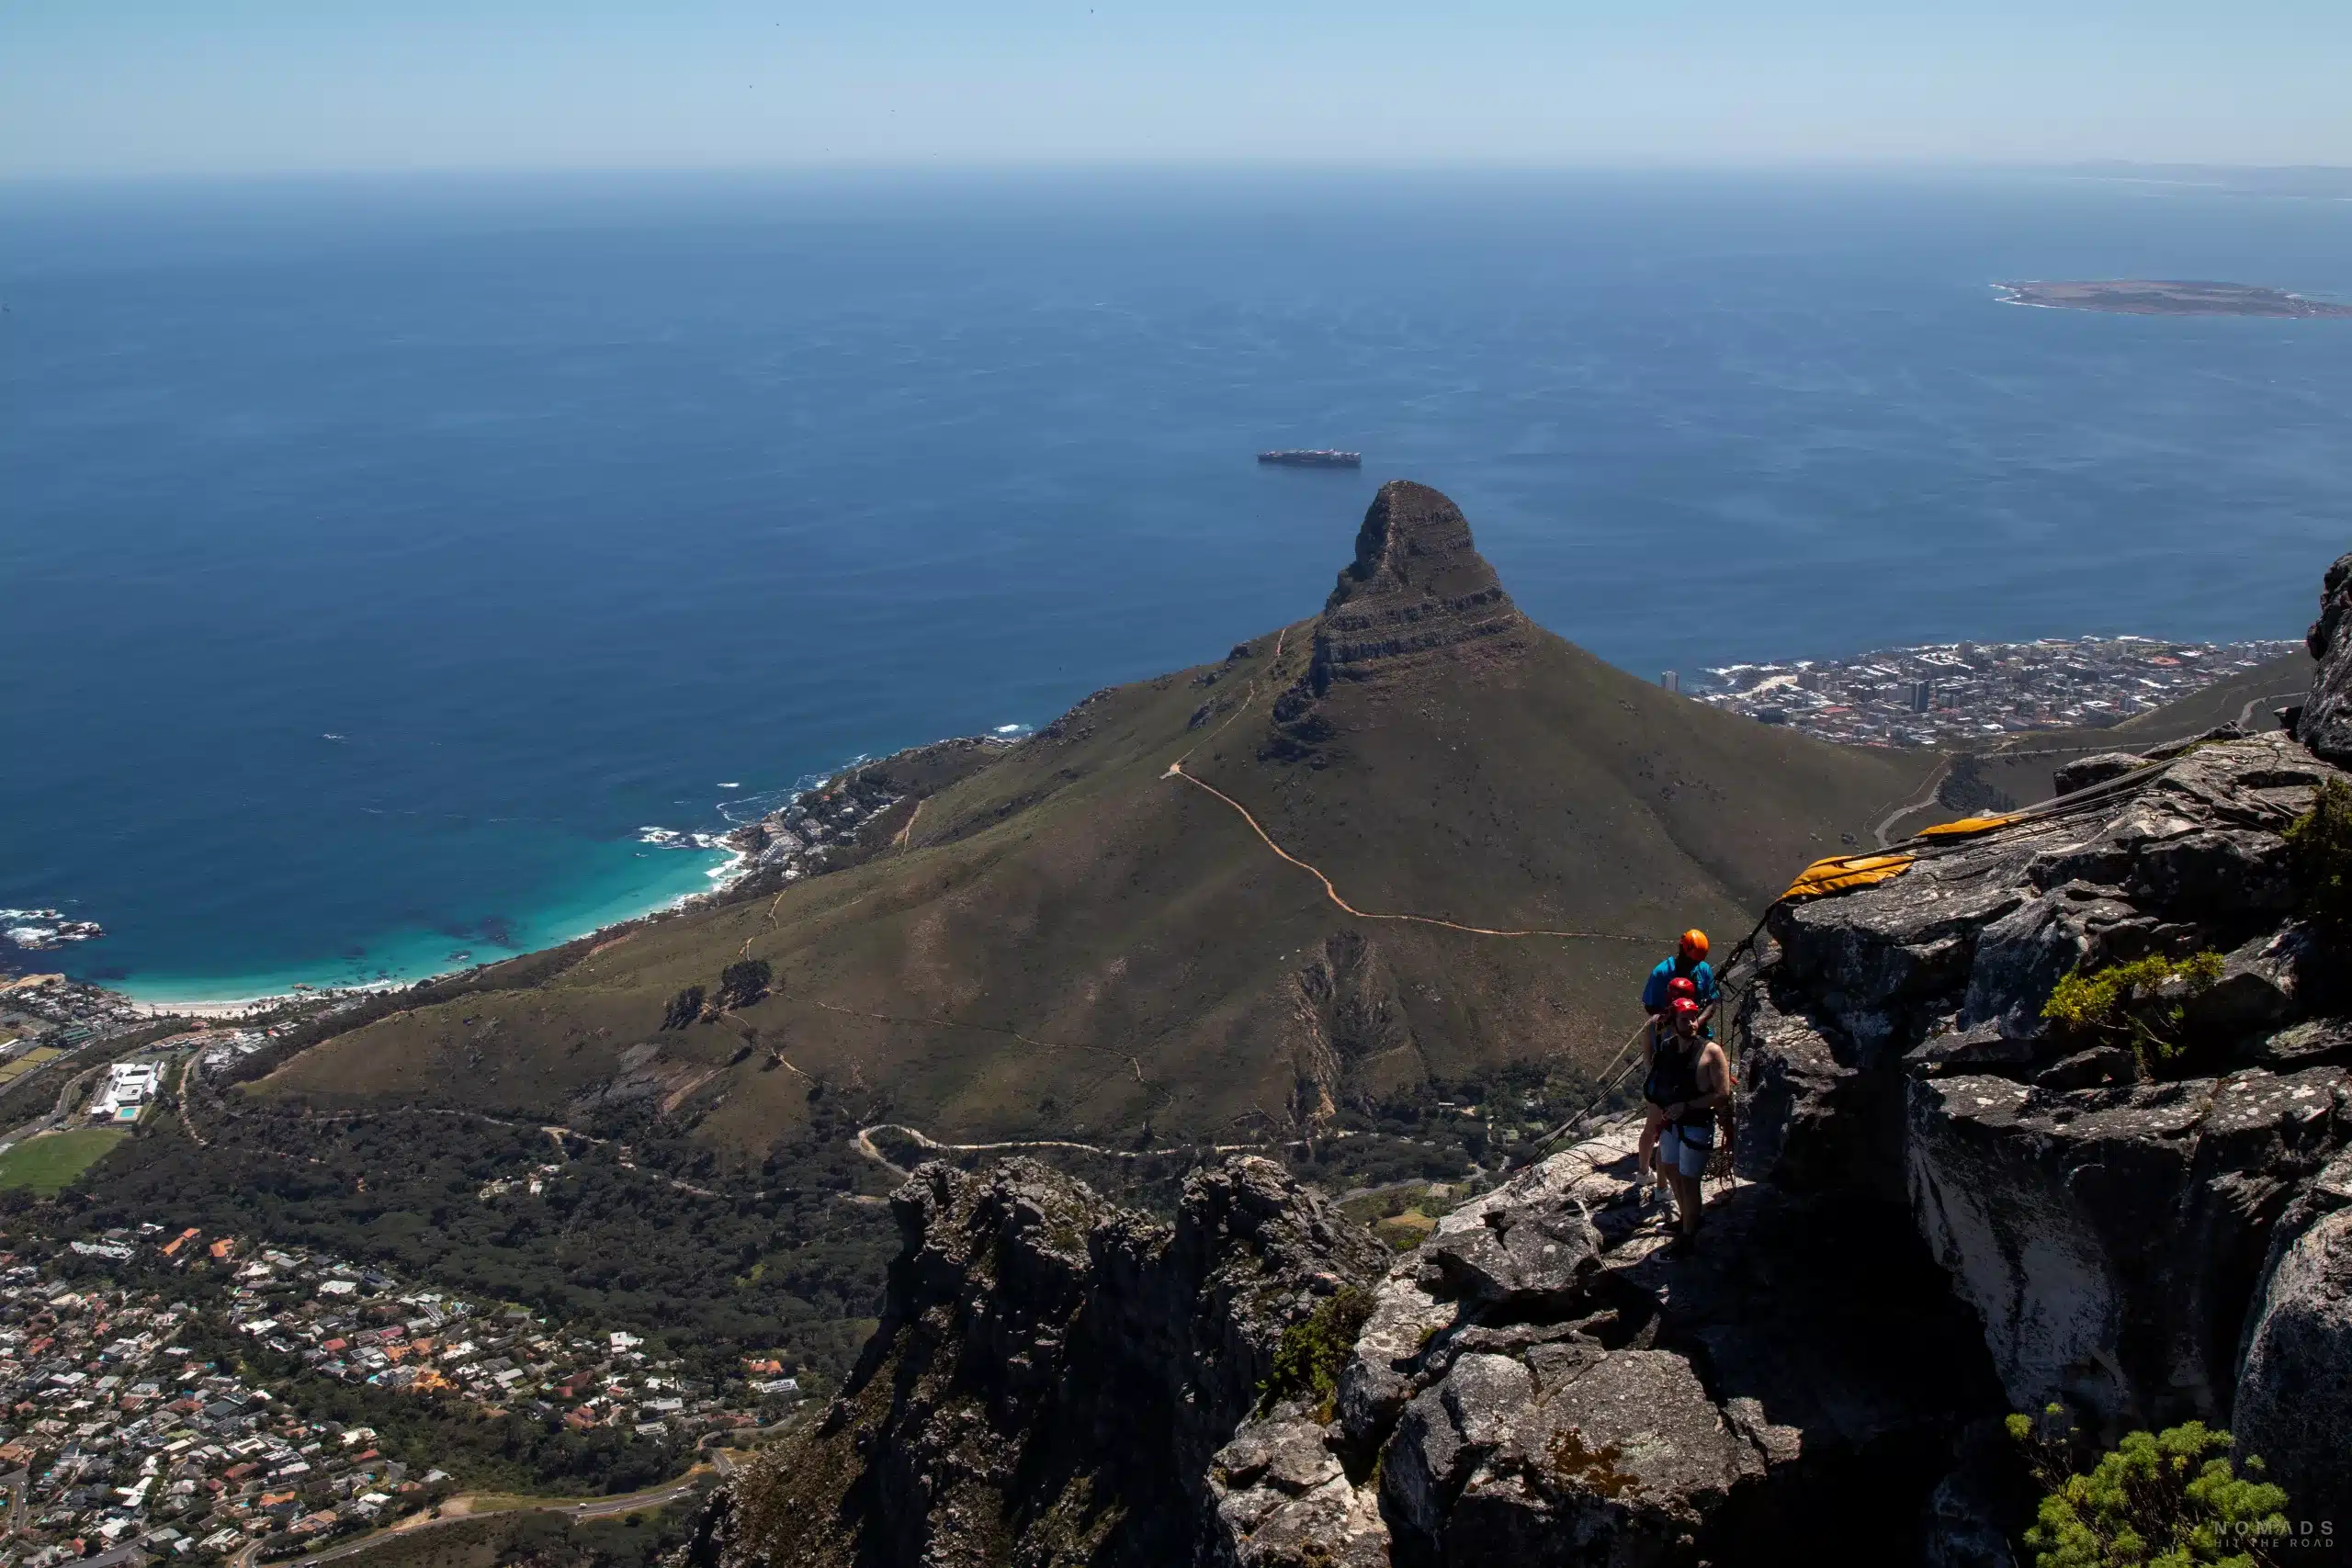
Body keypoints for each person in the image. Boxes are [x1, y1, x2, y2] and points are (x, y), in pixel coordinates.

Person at [1643, 996, 1731, 1251]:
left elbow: (1723, 1094)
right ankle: (1686, 1220)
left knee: (1689, 1180)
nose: (1692, 1023)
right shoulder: (1669, 1047)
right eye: (1686, 1019)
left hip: (1696, 1124)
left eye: (1694, 1018)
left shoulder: (1711, 1051)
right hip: (1673, 1123)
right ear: (1674, 1023)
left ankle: (1689, 1236)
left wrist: (1687, 1106)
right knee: (1670, 1169)